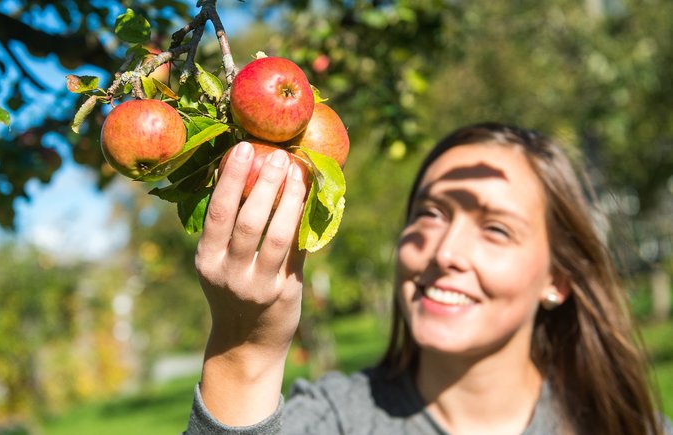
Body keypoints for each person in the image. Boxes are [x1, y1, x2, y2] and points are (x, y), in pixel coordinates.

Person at [185, 122, 672, 435]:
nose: (444, 252)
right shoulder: (336, 421)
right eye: (431, 214)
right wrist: (245, 352)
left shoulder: (629, 428)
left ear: (558, 280)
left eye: (496, 229)